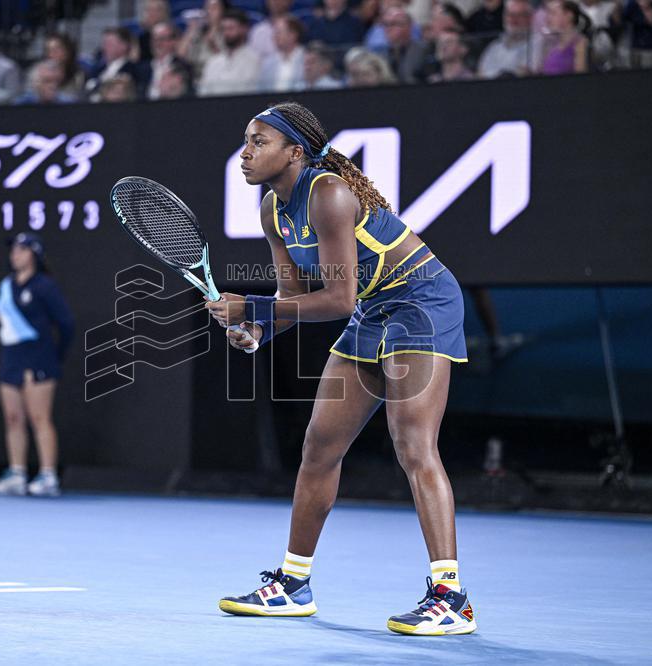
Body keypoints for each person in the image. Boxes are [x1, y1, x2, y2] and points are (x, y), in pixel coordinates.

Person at [206, 102, 475, 636]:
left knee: (413, 444)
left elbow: (337, 300)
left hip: (421, 303)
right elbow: (292, 298)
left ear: (295, 153)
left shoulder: (328, 193)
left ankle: (451, 599)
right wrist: (258, 329)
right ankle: (293, 584)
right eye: (246, 140)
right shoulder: (272, 210)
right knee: (319, 445)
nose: (245, 153)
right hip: (373, 310)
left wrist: (251, 306)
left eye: (259, 142)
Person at [0, 232, 74, 498]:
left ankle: (48, 476)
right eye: (13, 250)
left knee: (40, 418)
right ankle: (17, 473)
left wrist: (53, 357)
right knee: (13, 418)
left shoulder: (44, 286)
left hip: (39, 360)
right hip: (11, 359)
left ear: (34, 255)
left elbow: (67, 324)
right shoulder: (6, 286)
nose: (15, 255)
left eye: (21, 250)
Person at [198, 9, 261, 96]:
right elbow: (204, 92)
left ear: (244, 29)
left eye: (231, 28)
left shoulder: (254, 59)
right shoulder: (213, 61)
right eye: (223, 29)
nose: (226, 33)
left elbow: (251, 91)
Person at [477, 0, 539, 77]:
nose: (513, 20)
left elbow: (525, 74)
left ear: (530, 18)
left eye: (519, 15)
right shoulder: (494, 46)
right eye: (510, 15)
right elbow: (479, 75)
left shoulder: (537, 44)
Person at [258, 14, 306, 91]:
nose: (274, 36)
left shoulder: (306, 59)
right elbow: (261, 90)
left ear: (293, 35)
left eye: (279, 32)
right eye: (274, 32)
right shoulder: (268, 62)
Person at [539, 0, 589, 74]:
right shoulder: (549, 44)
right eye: (548, 13)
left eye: (553, 13)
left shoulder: (581, 44)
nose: (547, 19)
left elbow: (580, 77)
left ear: (569, 16)